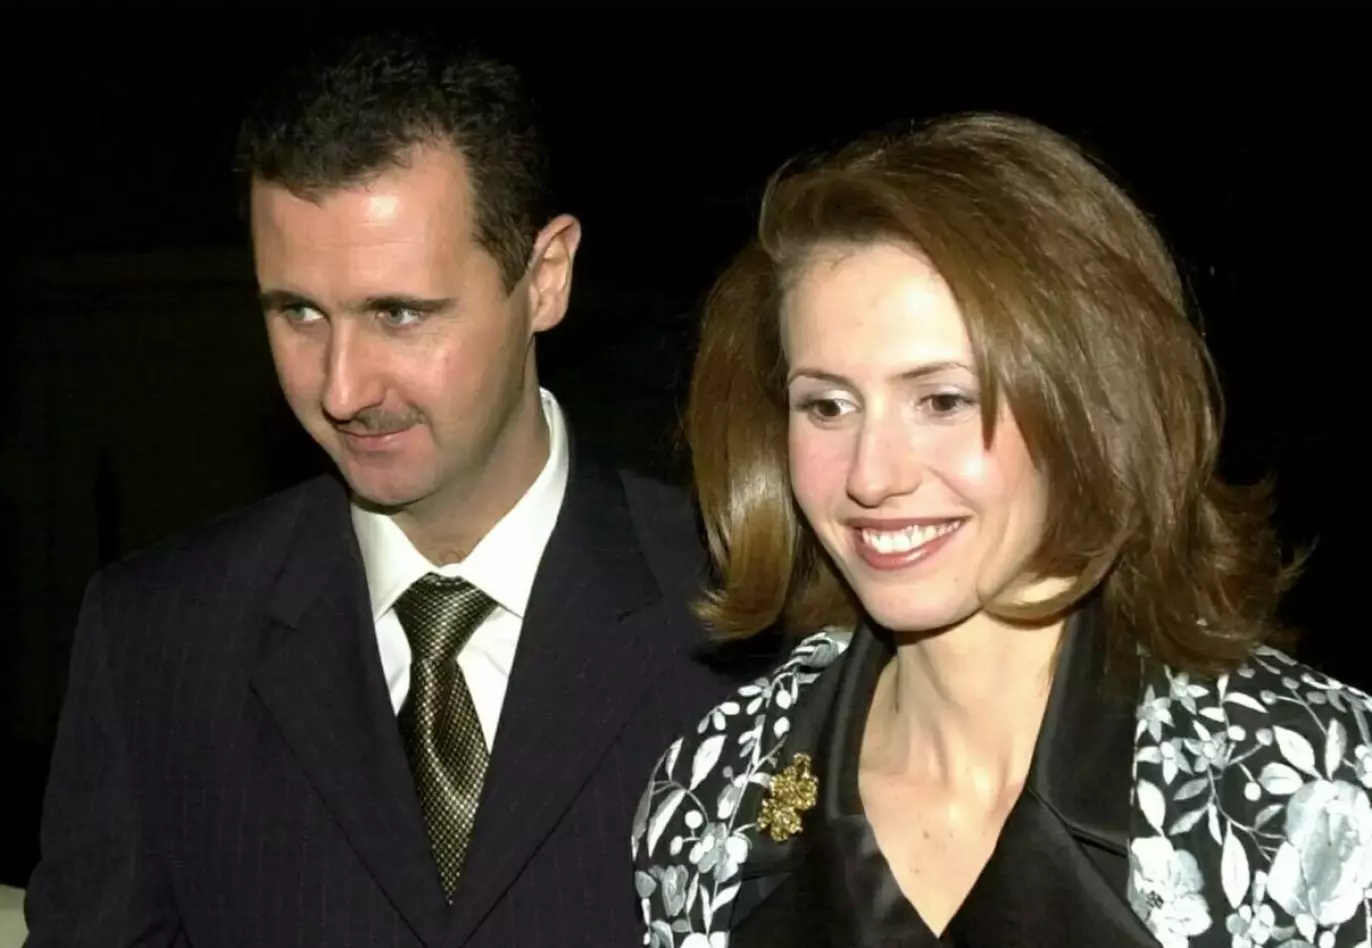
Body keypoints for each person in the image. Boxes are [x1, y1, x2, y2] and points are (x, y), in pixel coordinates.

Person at [25, 32, 746, 948]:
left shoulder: (748, 618)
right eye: (298, 313)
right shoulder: (155, 642)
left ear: (546, 279)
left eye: (398, 313)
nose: (341, 389)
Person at [633, 112, 1369, 947]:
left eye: (944, 400)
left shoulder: (1310, 792)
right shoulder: (718, 795)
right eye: (828, 406)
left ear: (1090, 409)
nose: (872, 475)